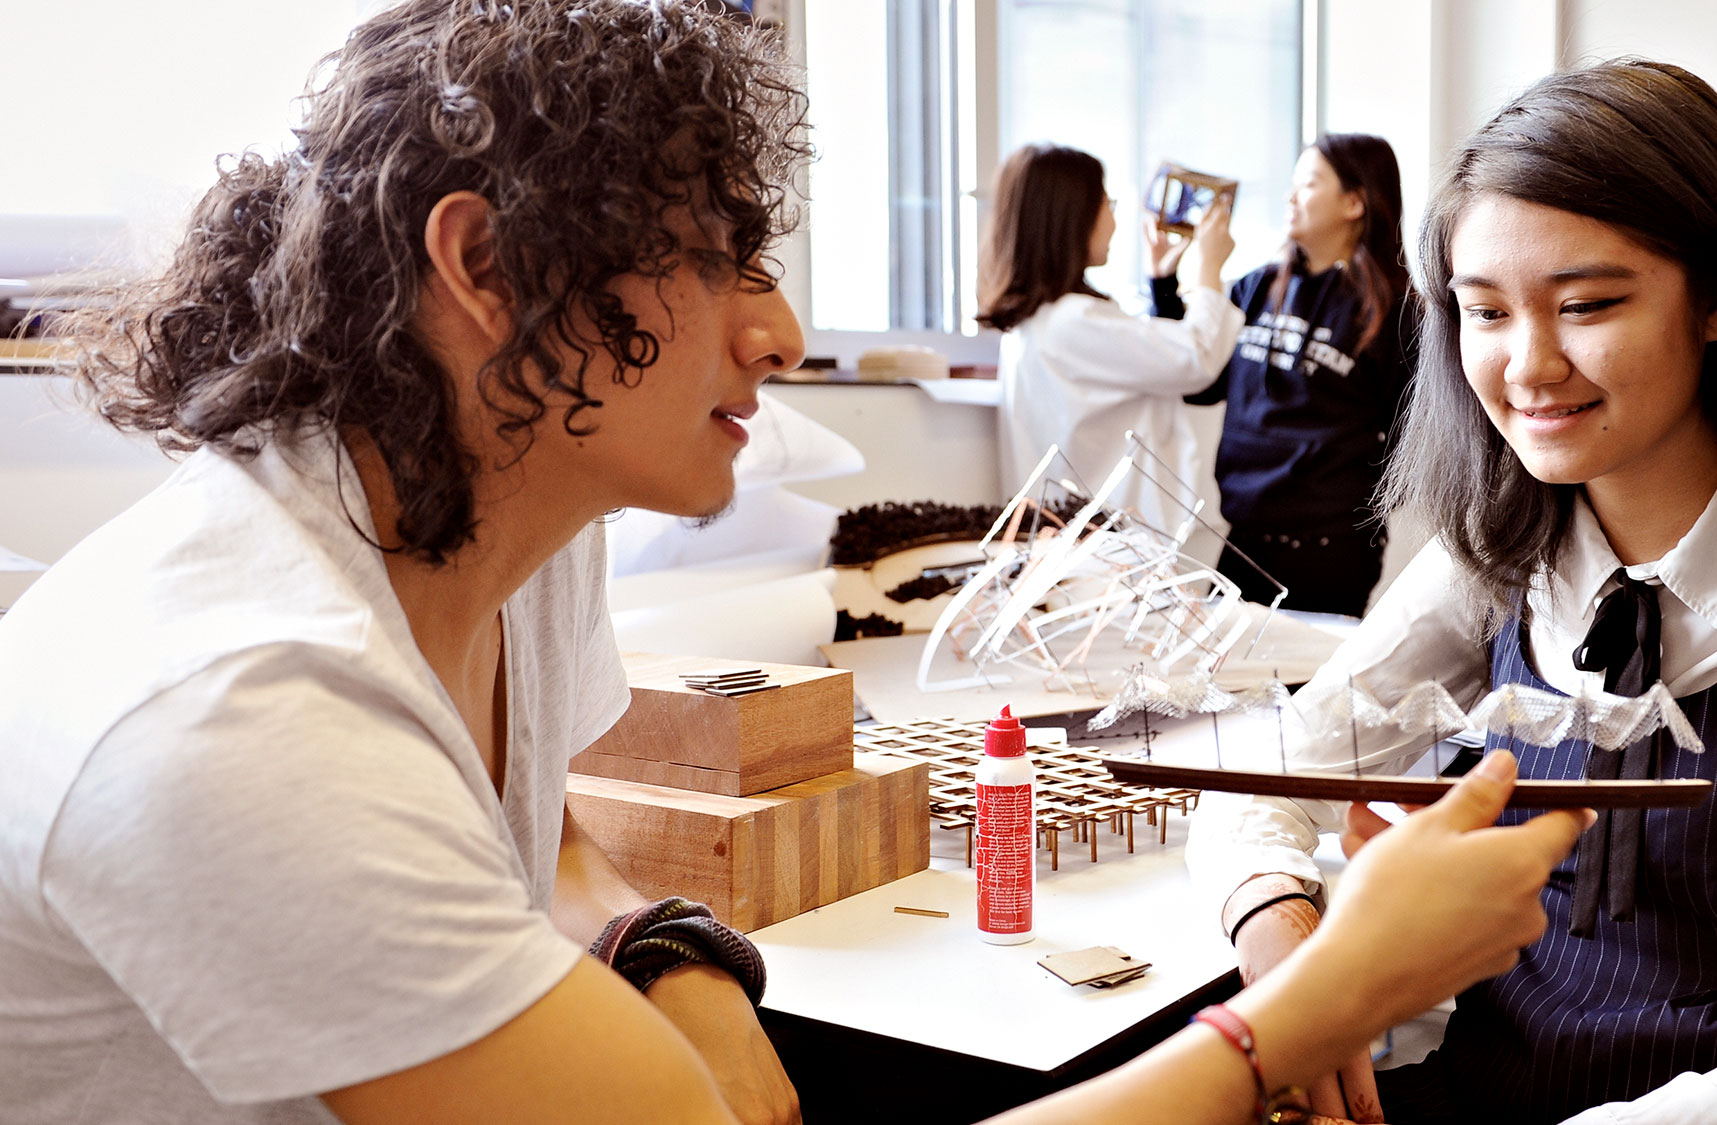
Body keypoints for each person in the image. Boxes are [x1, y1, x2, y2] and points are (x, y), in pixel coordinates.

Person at [0, 4, 1597, 1123]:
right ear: (485, 268)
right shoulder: (247, 706)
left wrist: (668, 948)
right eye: (719, 263)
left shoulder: (506, 536)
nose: (774, 331)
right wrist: (1312, 1009)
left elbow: (541, 842)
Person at [1187, 59, 1717, 1125]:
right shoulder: (1503, 552)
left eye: (1584, 305)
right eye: (1483, 312)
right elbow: (1266, 778)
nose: (1526, 366)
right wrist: (1280, 944)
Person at [1150, 134, 1414, 616]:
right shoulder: (1256, 287)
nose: (1290, 197)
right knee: (1221, 684)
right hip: (1244, 539)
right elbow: (1202, 386)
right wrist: (1164, 287)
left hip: (1328, 551)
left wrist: (1344, 500)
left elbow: (1412, 438)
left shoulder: (1395, 310)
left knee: (1301, 689)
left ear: (1354, 202)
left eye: (1308, 184)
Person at [980, 144, 1242, 532]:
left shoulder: (1038, 322)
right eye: (1107, 203)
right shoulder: (1073, 321)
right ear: (1073, 216)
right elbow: (1195, 358)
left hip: (1082, 533)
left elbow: (1154, 357)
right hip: (1117, 542)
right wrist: (1207, 273)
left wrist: (1162, 283)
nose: (1115, 222)